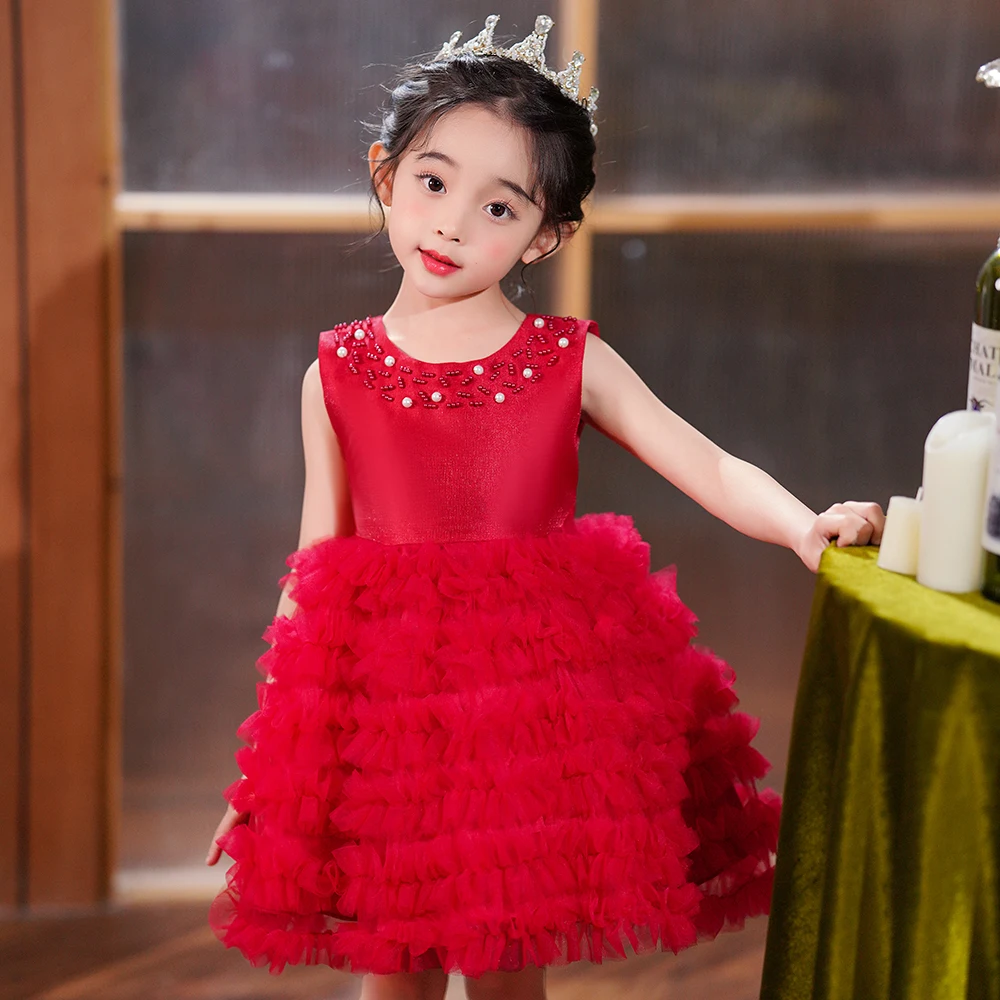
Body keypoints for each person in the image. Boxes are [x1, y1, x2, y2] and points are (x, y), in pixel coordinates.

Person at [204, 14, 884, 1000]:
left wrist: (798, 523)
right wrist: (266, 770)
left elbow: (705, 462)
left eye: (498, 206)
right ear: (385, 175)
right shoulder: (335, 372)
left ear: (547, 232)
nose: (449, 223)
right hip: (389, 707)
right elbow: (314, 569)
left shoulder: (569, 360)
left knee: (508, 961)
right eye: (434, 183)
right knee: (394, 965)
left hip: (530, 706)